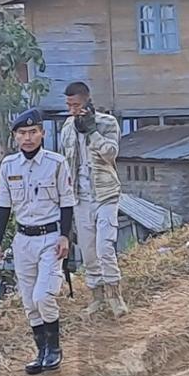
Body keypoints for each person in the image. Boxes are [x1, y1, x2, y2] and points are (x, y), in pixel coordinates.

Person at [0, 108, 78, 375]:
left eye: (32, 132)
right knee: (29, 301)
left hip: (51, 238)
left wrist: (65, 235)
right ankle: (41, 352)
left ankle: (54, 349)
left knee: (43, 296)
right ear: (15, 137)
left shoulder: (56, 163)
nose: (28, 138)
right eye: (22, 133)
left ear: (42, 133)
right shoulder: (8, 166)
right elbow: (2, 206)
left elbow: (67, 202)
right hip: (22, 240)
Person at [58, 82, 128, 318]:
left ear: (87, 101)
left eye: (76, 105)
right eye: (69, 105)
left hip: (105, 193)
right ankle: (97, 297)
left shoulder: (107, 123)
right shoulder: (67, 127)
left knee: (105, 247)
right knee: (88, 251)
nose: (72, 109)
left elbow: (111, 154)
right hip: (80, 197)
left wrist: (92, 132)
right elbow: (66, 162)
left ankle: (115, 296)